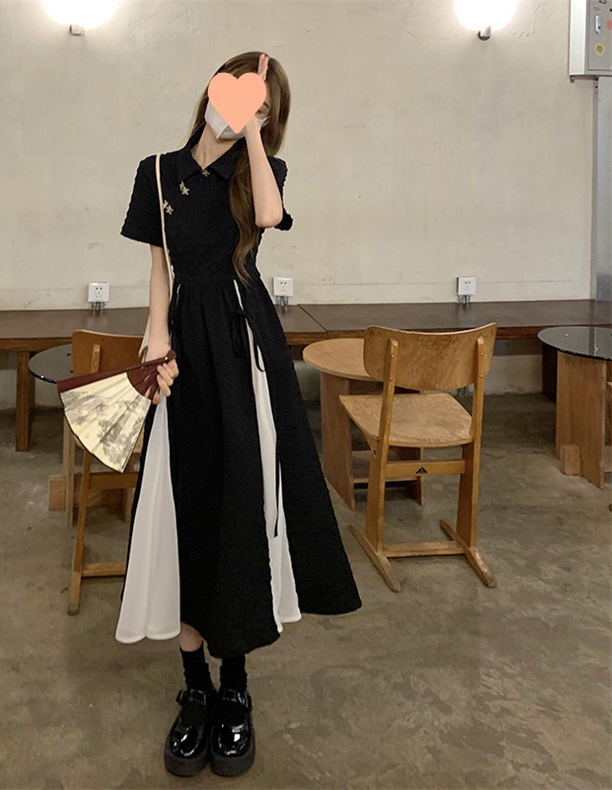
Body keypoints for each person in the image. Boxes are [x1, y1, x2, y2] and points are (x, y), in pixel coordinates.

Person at [117, 52, 362, 778]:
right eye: (233, 93)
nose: (238, 108)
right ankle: (194, 687)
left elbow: (269, 217)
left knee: (241, 505)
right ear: (210, 90)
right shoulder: (156, 171)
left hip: (244, 345)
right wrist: (155, 341)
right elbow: (159, 267)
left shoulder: (259, 173)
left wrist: (252, 131)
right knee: (184, 504)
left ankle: (236, 688)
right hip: (184, 350)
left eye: (260, 104)